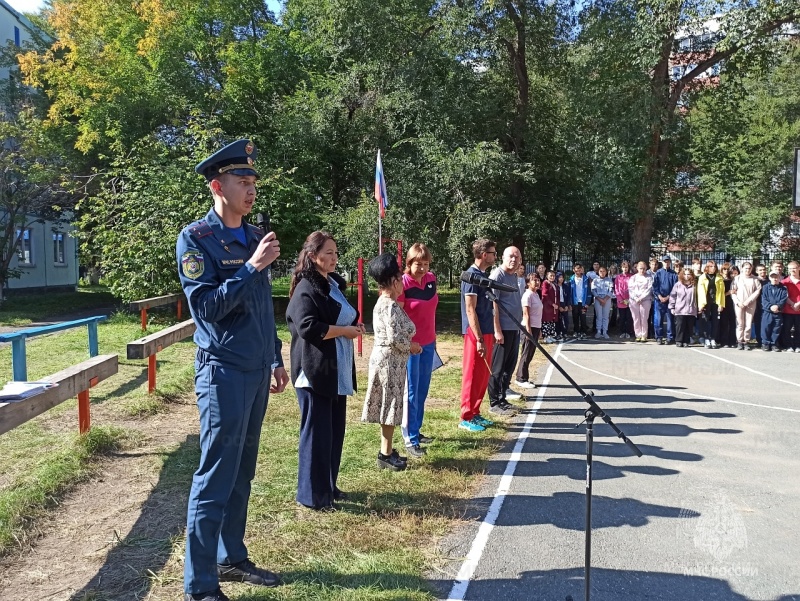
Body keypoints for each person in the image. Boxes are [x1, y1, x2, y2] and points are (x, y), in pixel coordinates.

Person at [177, 139, 288, 601]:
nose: (251, 189)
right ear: (216, 186)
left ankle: (232, 557)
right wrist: (249, 268)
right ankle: (200, 586)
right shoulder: (197, 240)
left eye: (253, 182)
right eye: (243, 182)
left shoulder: (251, 236)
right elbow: (206, 309)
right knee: (215, 475)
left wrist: (276, 357)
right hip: (221, 372)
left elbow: (262, 309)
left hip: (256, 368)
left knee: (243, 470)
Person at [286, 232, 363, 509]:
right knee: (316, 435)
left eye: (335, 252)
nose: (334, 257)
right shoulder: (307, 287)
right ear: (312, 256)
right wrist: (344, 331)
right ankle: (312, 496)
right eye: (328, 252)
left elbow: (340, 314)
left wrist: (352, 327)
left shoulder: (331, 284)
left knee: (332, 433)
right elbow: (308, 327)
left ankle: (328, 487)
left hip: (335, 371)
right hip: (315, 373)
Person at [362, 254, 422, 471]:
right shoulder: (389, 305)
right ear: (395, 281)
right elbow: (396, 339)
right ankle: (385, 454)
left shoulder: (386, 303)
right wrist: (412, 346)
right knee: (389, 407)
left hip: (390, 361)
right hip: (389, 362)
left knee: (390, 406)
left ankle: (386, 450)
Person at [398, 243, 439, 457]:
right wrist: (408, 341)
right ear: (409, 264)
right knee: (411, 392)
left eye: (425, 264)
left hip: (429, 343)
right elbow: (398, 316)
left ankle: (417, 429)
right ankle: (410, 438)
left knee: (423, 389)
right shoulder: (403, 284)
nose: (422, 268)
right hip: (411, 346)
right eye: (417, 264)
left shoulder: (431, 279)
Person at [459, 239, 497, 433]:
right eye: (492, 252)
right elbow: (470, 309)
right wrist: (479, 338)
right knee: (472, 374)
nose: (495, 256)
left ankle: (475, 411)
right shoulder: (471, 276)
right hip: (475, 333)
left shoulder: (483, 275)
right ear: (483, 254)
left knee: (483, 374)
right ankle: (465, 415)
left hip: (487, 330)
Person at [488, 246, 523, 414]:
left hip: (514, 328)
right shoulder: (498, 275)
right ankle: (494, 402)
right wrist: (497, 330)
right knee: (498, 367)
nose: (514, 259)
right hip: (503, 329)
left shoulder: (513, 275)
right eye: (511, 256)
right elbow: (493, 304)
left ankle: (503, 398)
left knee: (509, 366)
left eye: (517, 257)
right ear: (502, 257)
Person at [515, 273, 542, 389]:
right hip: (528, 327)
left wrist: (539, 329)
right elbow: (526, 314)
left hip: (536, 327)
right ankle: (521, 378)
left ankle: (524, 376)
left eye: (538, 280)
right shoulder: (527, 295)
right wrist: (528, 330)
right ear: (527, 283)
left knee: (530, 353)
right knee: (526, 353)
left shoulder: (536, 294)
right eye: (533, 280)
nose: (537, 282)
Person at [732, 262, 761, 350]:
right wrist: (737, 302)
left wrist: (748, 301)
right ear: (742, 268)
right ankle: (740, 341)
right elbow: (733, 292)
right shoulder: (737, 279)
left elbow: (757, 291)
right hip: (739, 304)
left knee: (748, 323)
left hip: (750, 304)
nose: (747, 270)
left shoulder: (755, 279)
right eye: (746, 268)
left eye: (749, 268)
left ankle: (746, 341)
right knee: (740, 323)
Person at [697, 260, 725, 349]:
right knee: (705, 320)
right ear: (707, 267)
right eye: (711, 266)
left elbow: (721, 292)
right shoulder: (702, 277)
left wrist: (721, 304)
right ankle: (706, 338)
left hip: (715, 302)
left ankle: (713, 338)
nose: (713, 268)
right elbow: (700, 292)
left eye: (715, 266)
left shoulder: (719, 277)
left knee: (715, 321)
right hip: (706, 302)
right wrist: (701, 304)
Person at [669, 266, 698, 347]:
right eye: (685, 274)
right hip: (680, 309)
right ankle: (679, 340)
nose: (687, 276)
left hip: (691, 309)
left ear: (692, 275)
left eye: (689, 274)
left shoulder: (694, 285)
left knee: (689, 326)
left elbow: (697, 296)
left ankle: (686, 340)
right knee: (680, 325)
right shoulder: (678, 285)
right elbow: (673, 296)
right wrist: (672, 307)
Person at [652, 255, 677, 345]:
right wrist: (659, 296)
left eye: (668, 261)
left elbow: (675, 288)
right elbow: (655, 286)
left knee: (670, 320)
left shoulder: (674, 274)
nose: (666, 263)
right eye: (664, 261)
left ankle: (670, 337)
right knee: (658, 320)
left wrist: (668, 297)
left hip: (670, 301)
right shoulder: (658, 273)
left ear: (670, 262)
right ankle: (659, 337)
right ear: (662, 263)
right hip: (659, 301)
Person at [761, 272, 789, 352]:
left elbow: (783, 299)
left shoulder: (783, 288)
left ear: (779, 278)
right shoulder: (765, 287)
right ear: (769, 278)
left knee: (776, 328)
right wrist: (770, 306)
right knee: (766, 327)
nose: (774, 279)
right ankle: (765, 343)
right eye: (772, 277)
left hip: (778, 312)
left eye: (776, 277)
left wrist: (778, 306)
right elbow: (764, 299)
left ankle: (774, 343)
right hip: (767, 312)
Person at [628, 261, 653, 342]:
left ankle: (644, 335)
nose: (642, 270)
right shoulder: (633, 278)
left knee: (644, 318)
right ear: (637, 268)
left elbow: (648, 289)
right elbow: (631, 289)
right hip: (634, 300)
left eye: (643, 268)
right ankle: (637, 334)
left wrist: (641, 297)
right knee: (636, 318)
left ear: (646, 268)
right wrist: (635, 298)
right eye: (640, 268)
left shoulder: (649, 277)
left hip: (645, 300)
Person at [781, 261, 800, 352]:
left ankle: (798, 345)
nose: (792, 270)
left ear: (798, 268)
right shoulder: (784, 282)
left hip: (799, 310)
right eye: (790, 268)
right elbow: (784, 295)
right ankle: (788, 346)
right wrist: (793, 304)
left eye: (794, 268)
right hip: (787, 310)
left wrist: (798, 304)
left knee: (798, 329)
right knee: (786, 329)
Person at [719, 263, 738, 348]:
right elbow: (720, 294)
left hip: (734, 303)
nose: (726, 271)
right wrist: (728, 292)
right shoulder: (721, 280)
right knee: (724, 323)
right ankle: (724, 341)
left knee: (733, 323)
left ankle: (733, 341)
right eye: (724, 269)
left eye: (728, 270)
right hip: (725, 303)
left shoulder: (736, 281)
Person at [591, 266, 613, 339]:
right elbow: (593, 291)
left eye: (604, 271)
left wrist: (605, 299)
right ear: (598, 272)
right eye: (601, 271)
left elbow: (611, 290)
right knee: (599, 316)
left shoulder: (609, 280)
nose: (602, 273)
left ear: (606, 272)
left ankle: (605, 331)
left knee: (605, 316)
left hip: (607, 299)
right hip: (598, 299)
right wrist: (600, 299)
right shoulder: (595, 280)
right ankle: (598, 331)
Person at [570, 263, 590, 339]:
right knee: (575, 317)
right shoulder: (571, 279)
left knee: (583, 317)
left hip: (583, 302)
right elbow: (570, 292)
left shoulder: (586, 279)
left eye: (579, 269)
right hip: (575, 302)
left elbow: (589, 291)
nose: (578, 271)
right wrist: (570, 303)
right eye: (576, 269)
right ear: (574, 270)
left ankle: (583, 331)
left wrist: (588, 302)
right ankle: (576, 331)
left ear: (581, 269)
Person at [614, 261, 633, 339]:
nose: (625, 269)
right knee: (622, 317)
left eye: (626, 267)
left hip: (630, 300)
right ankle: (622, 331)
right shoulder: (618, 277)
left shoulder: (632, 276)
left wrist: (629, 299)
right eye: (623, 267)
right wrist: (621, 299)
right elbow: (616, 289)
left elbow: (633, 288)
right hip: (621, 301)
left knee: (629, 317)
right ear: (621, 268)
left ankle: (628, 331)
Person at [753, 264, 769, 348]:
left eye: (764, 269)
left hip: (767, 306)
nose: (762, 271)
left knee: (766, 324)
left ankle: (766, 341)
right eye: (760, 270)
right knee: (758, 323)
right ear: (756, 271)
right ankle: (759, 340)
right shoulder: (754, 280)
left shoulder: (769, 281)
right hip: (756, 305)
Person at [556, 272, 571, 340]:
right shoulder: (555, 286)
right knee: (558, 320)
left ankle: (565, 333)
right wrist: (559, 306)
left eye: (562, 277)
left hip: (564, 303)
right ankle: (558, 333)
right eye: (559, 277)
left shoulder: (566, 286)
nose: (561, 279)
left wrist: (567, 305)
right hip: (558, 304)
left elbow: (568, 296)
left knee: (565, 319)